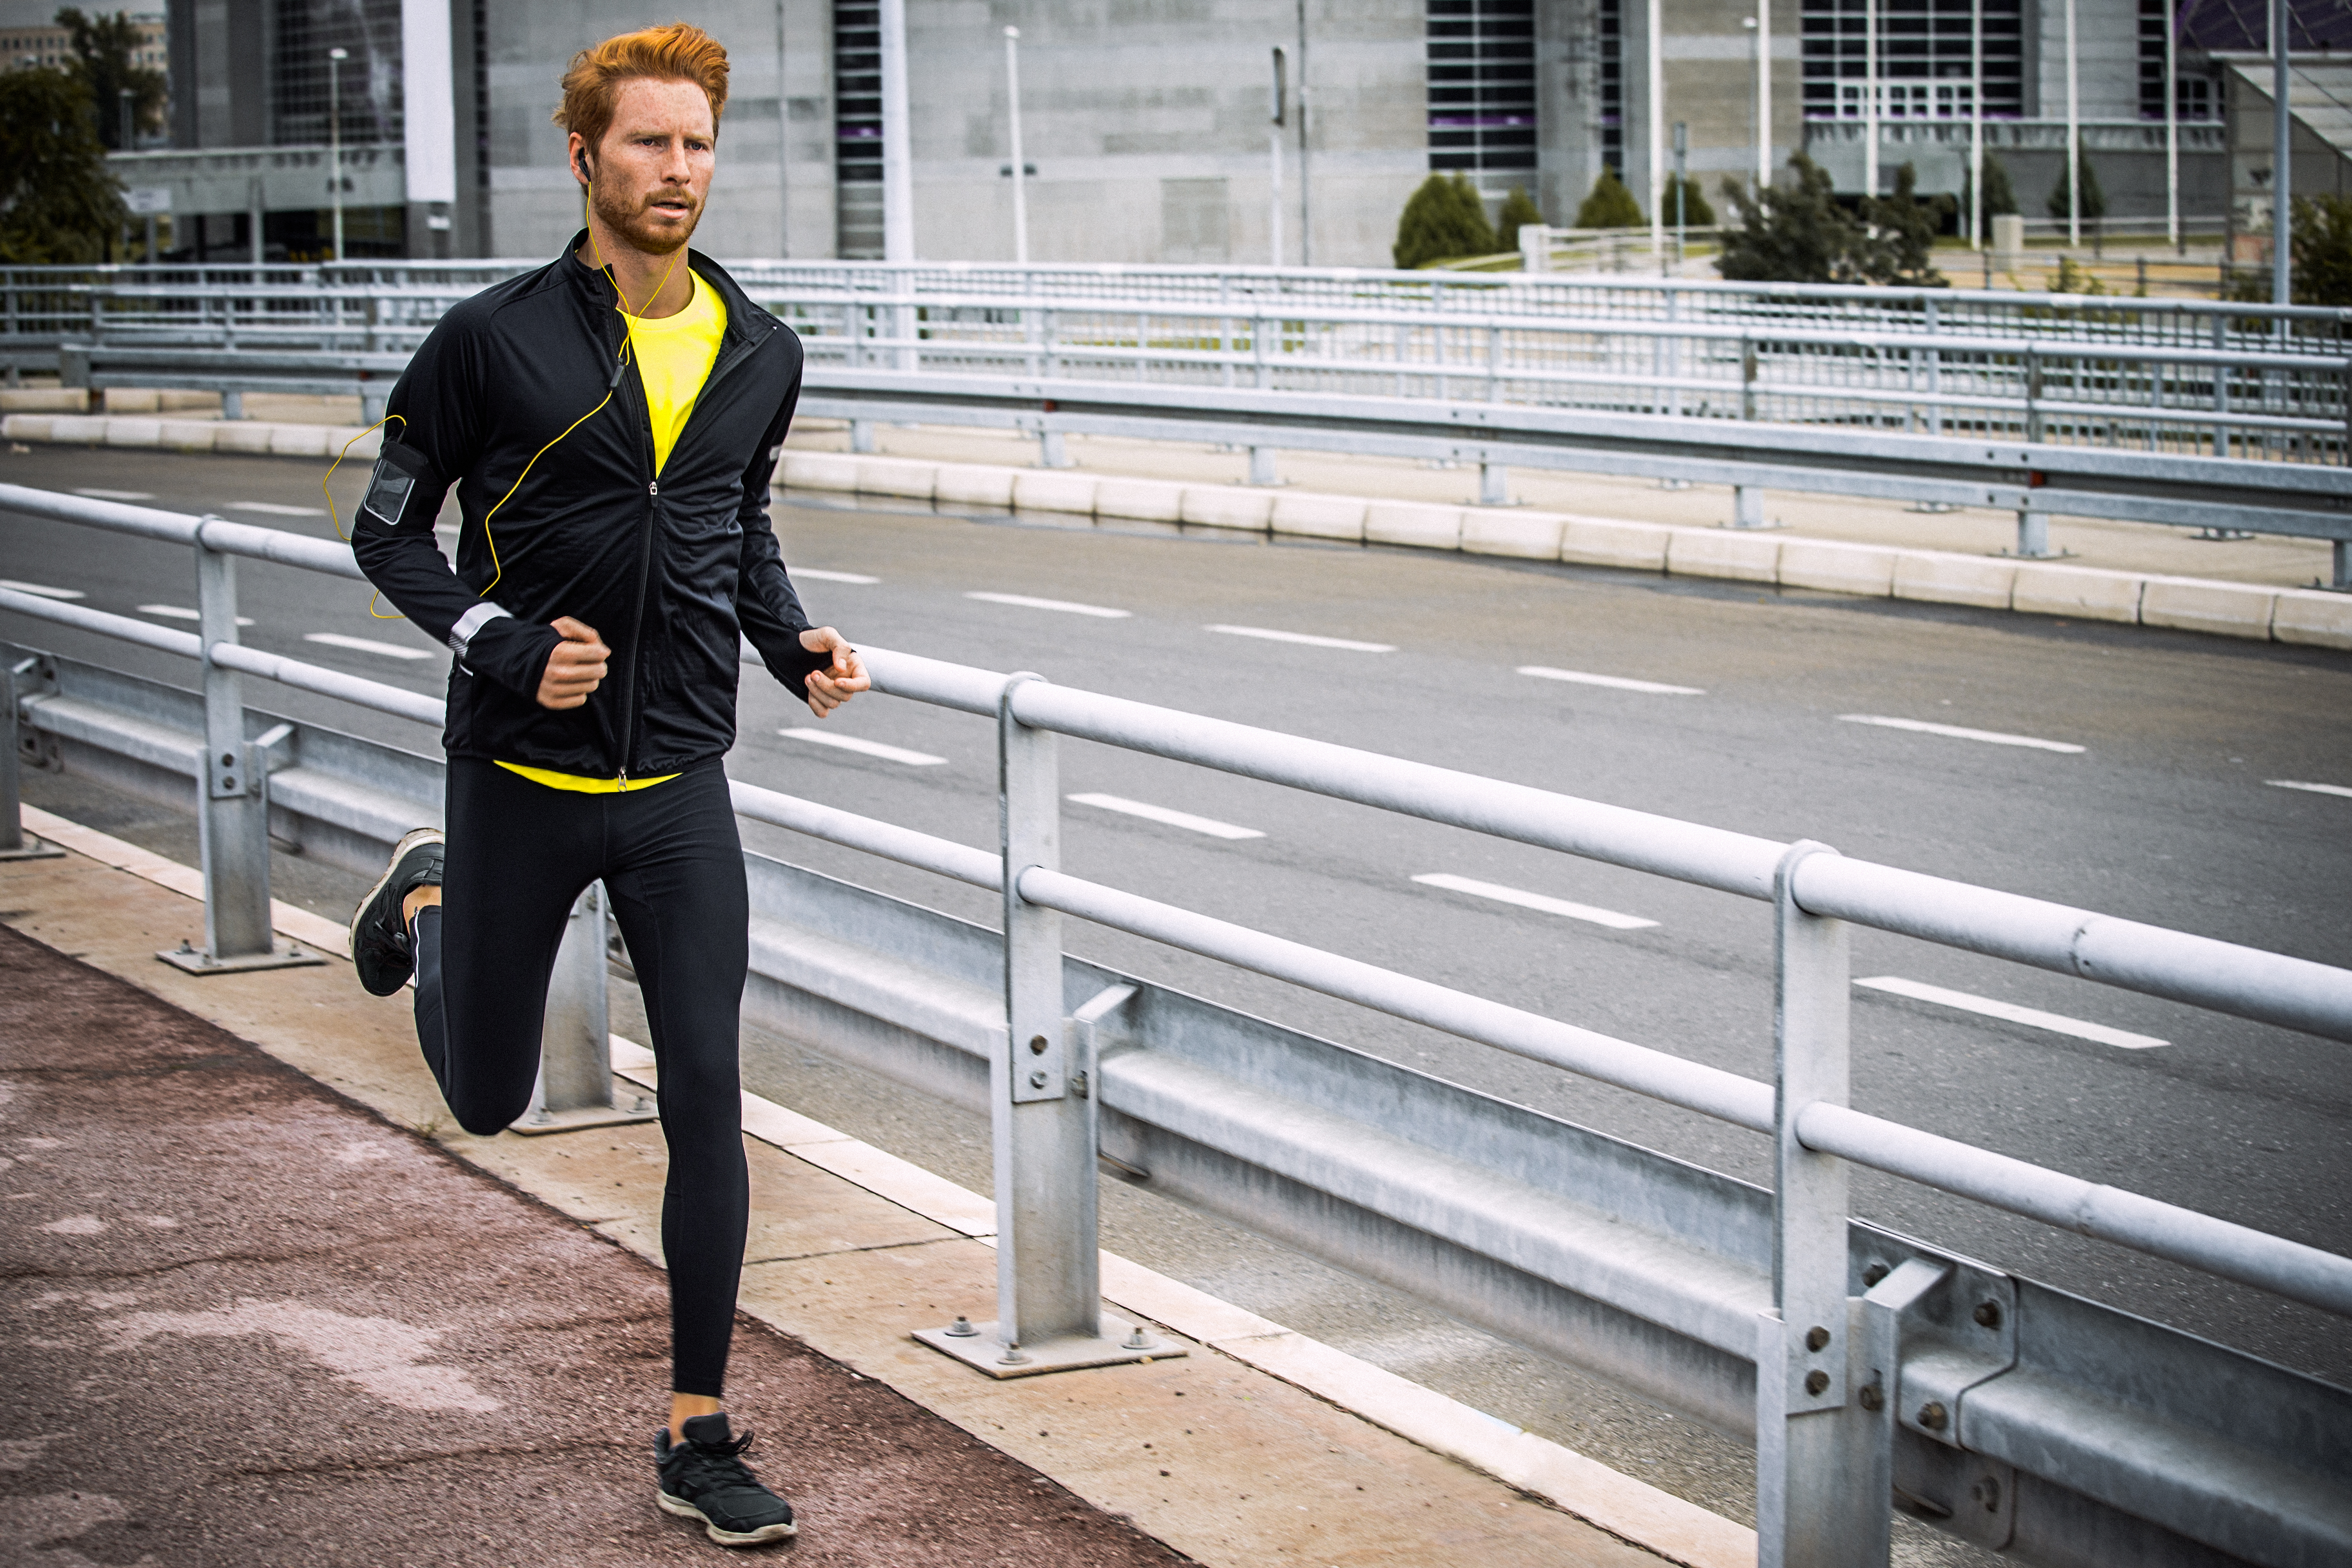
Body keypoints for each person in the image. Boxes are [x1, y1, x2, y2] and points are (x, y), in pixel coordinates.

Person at [341, 23, 866, 1548]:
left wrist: (796, 643)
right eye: (647, 143)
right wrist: (499, 641)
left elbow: (731, 527)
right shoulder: (490, 341)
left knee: (707, 1089)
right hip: (516, 773)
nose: (677, 171)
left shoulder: (759, 348)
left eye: (696, 145)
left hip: (680, 781)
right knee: (491, 1101)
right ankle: (430, 899)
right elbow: (390, 535)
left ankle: (699, 1430)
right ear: (585, 159)